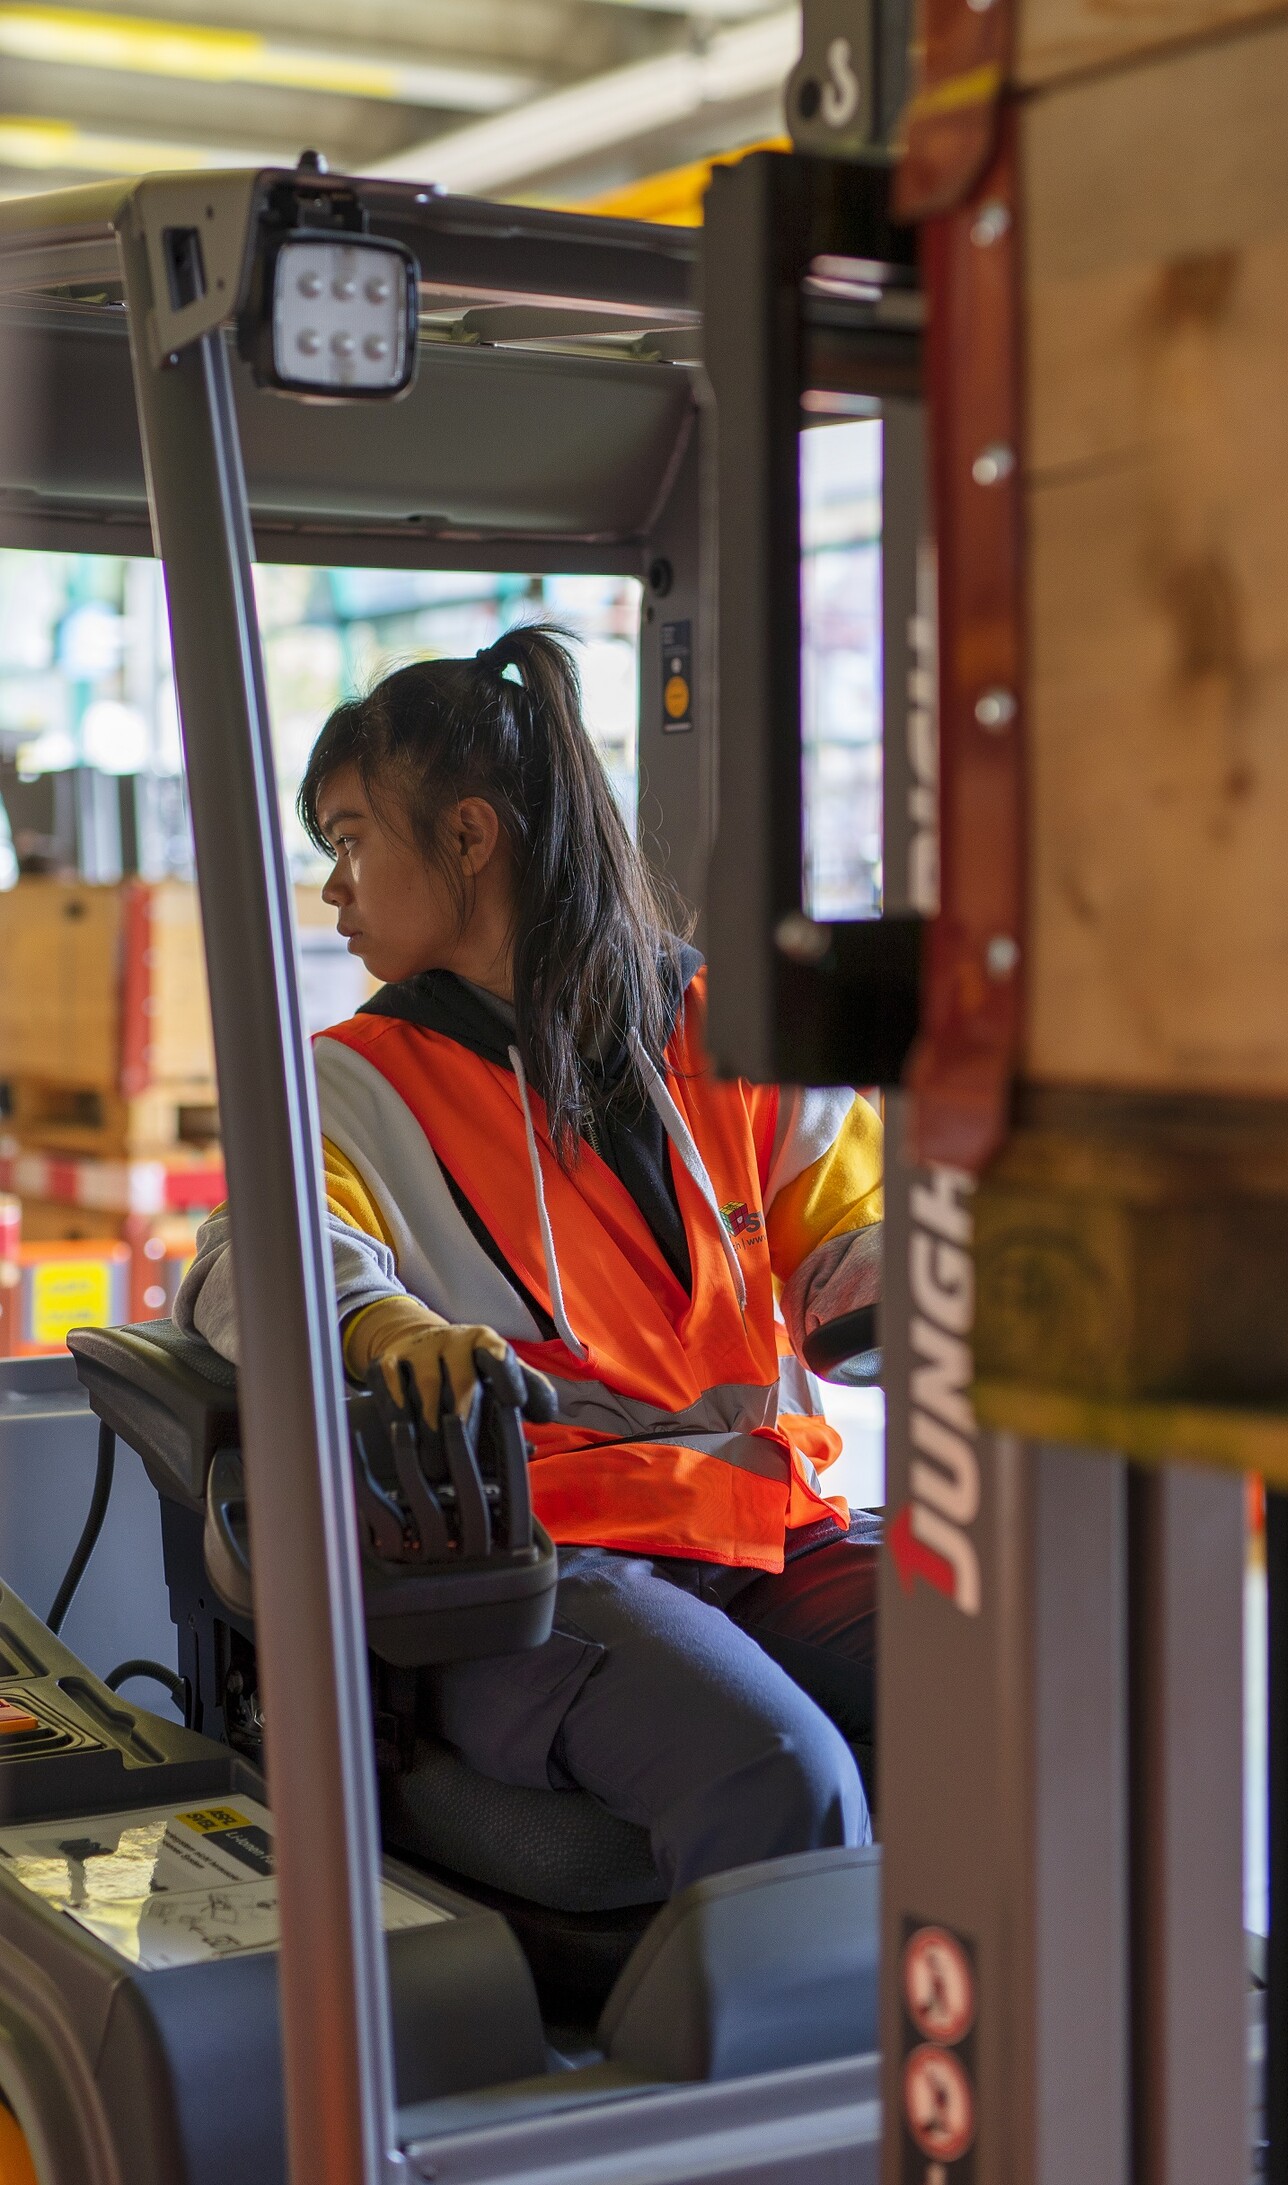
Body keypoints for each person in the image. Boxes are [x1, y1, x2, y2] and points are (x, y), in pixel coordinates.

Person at [175, 623, 883, 1895]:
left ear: (468, 836)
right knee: (785, 1772)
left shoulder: (723, 1029)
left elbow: (856, 1227)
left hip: (765, 1529)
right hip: (537, 1569)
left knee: (1039, 1674)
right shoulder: (348, 1081)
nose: (332, 887)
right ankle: (821, 2093)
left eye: (347, 839)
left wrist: (899, 1267)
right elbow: (253, 1262)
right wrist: (389, 1330)